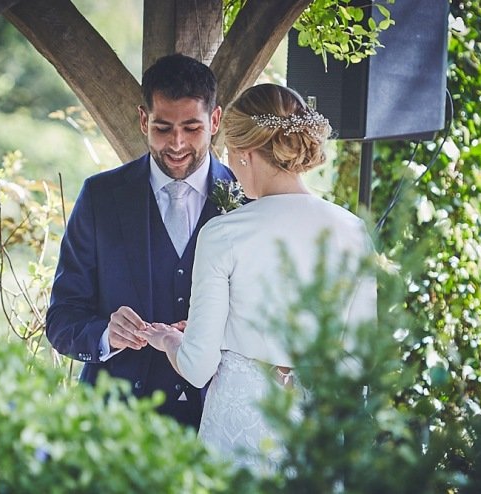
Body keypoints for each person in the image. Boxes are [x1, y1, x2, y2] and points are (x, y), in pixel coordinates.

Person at [138, 83, 378, 471]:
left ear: (246, 154)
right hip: (317, 437)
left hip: (239, 432)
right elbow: (358, 364)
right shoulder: (353, 231)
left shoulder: (223, 233)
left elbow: (198, 367)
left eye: (231, 154)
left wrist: (168, 339)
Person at [45, 53, 236, 429]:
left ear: (214, 120)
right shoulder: (100, 197)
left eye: (192, 128)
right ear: (143, 119)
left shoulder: (247, 200)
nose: (177, 144)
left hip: (215, 421)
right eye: (163, 128)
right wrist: (105, 334)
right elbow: (62, 318)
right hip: (114, 426)